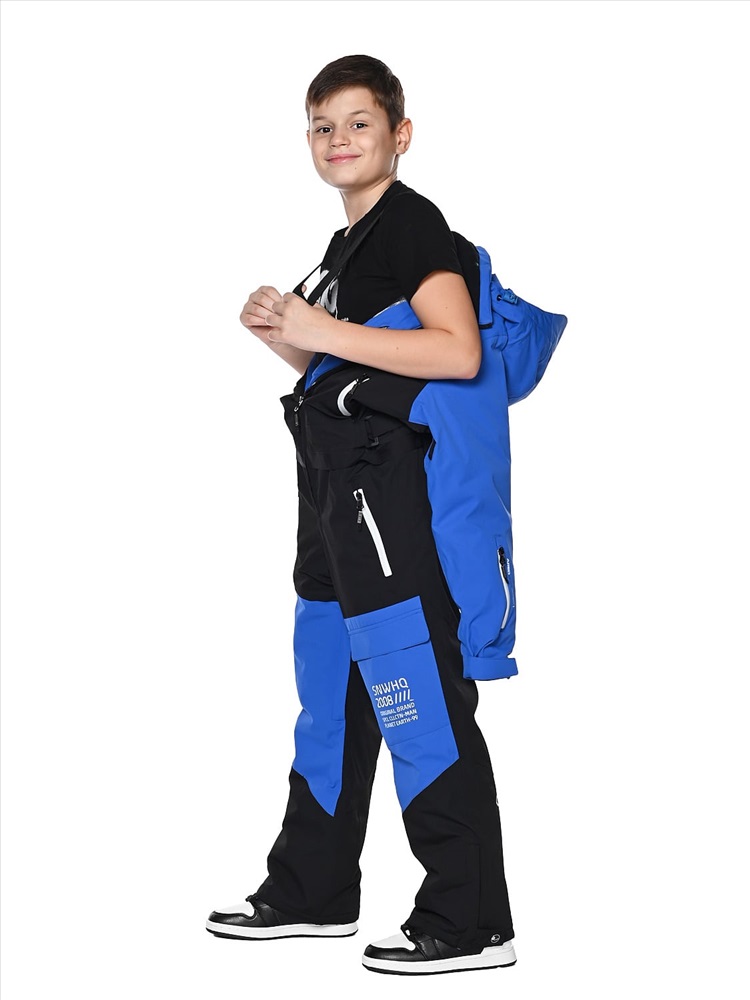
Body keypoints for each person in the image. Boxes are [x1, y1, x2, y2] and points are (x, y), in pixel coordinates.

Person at [206, 54, 517, 976]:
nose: (338, 139)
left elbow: (457, 352)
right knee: (330, 709)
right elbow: (354, 370)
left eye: (358, 123)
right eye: (322, 126)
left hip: (391, 510)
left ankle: (471, 922)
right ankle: (312, 891)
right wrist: (285, 337)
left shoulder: (412, 224)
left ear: (399, 134)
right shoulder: (347, 247)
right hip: (334, 508)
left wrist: (320, 330)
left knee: (417, 705)